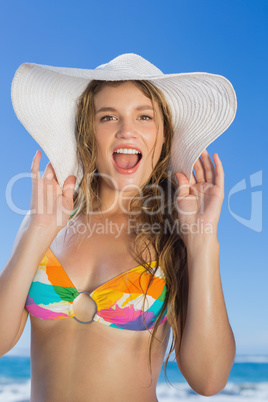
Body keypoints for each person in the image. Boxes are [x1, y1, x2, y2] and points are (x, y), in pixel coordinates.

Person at [1, 54, 237, 401]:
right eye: (108, 117)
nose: (127, 130)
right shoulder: (49, 221)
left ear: (163, 137)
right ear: (87, 131)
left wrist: (202, 242)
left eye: (144, 116)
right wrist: (35, 230)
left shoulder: (176, 240)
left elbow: (209, 379)